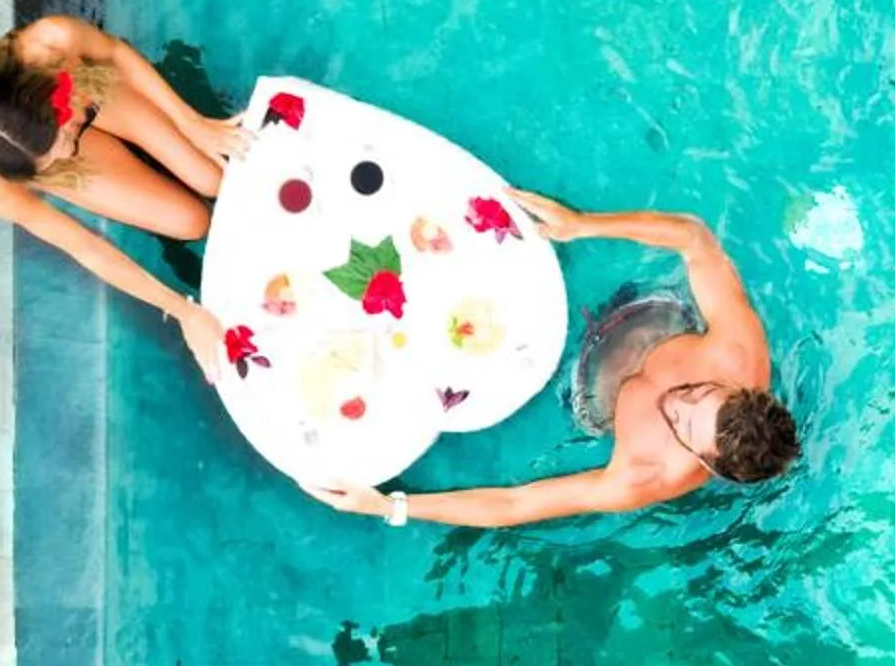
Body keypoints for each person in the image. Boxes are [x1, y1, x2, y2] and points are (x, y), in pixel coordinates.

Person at [308, 191, 799, 528]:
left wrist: (389, 506)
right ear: (739, 387)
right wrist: (582, 225)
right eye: (700, 392)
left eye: (685, 424)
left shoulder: (643, 475)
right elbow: (696, 239)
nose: (677, 400)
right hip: (651, 318)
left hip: (593, 388)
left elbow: (518, 503)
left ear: (705, 464)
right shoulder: (739, 350)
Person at [0, 15, 240, 377]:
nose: (68, 152)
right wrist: (184, 310)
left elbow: (116, 52)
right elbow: (84, 246)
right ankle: (60, 155)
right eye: (52, 159)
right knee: (191, 222)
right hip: (59, 142)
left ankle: (81, 135)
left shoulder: (52, 41)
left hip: (92, 94)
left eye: (62, 142)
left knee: (213, 179)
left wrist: (192, 123)